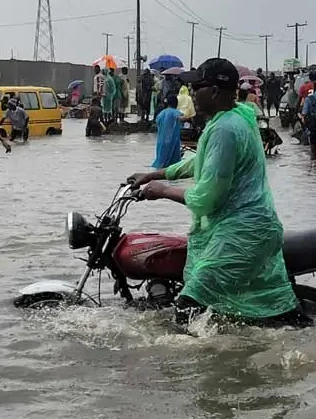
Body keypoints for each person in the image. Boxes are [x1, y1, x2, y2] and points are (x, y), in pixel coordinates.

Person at [127, 58, 301, 326]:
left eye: (198, 87)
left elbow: (206, 198)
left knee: (189, 305)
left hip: (240, 234)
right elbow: (202, 161)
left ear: (216, 91)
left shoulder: (224, 129)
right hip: (252, 228)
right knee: (262, 308)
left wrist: (161, 191)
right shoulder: (239, 115)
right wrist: (155, 174)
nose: (192, 94)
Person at [152, 96, 183, 168]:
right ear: (176, 104)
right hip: (172, 141)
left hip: (161, 141)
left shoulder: (161, 113)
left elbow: (157, 122)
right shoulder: (175, 112)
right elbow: (181, 118)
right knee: (174, 164)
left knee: (160, 162)